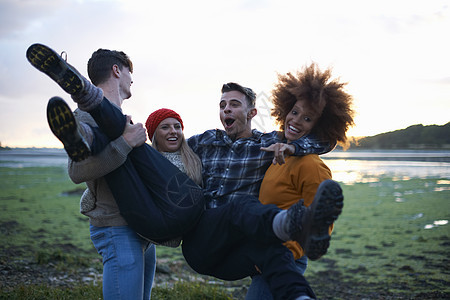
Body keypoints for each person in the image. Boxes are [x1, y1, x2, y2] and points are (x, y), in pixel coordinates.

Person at [27, 43, 343, 299]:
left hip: (235, 237)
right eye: (223, 105)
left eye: (234, 104)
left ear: (253, 112)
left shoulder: (269, 143)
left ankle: (299, 284)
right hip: (196, 234)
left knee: (262, 236)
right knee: (131, 152)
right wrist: (140, 135)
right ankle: (83, 123)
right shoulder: (203, 141)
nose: (226, 110)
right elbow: (160, 145)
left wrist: (293, 147)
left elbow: (319, 137)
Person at [28, 44, 158, 299]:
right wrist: (125, 143)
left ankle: (85, 135)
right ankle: (82, 137)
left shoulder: (124, 119)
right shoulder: (84, 115)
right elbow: (77, 172)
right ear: (117, 71)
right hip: (117, 227)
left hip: (141, 227)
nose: (133, 80)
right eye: (130, 73)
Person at [246, 63, 355, 299]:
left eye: (307, 118)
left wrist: (285, 252)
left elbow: (320, 223)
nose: (295, 120)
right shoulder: (279, 154)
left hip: (284, 260)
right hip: (264, 256)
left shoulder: (312, 166)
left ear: (319, 127)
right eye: (294, 112)